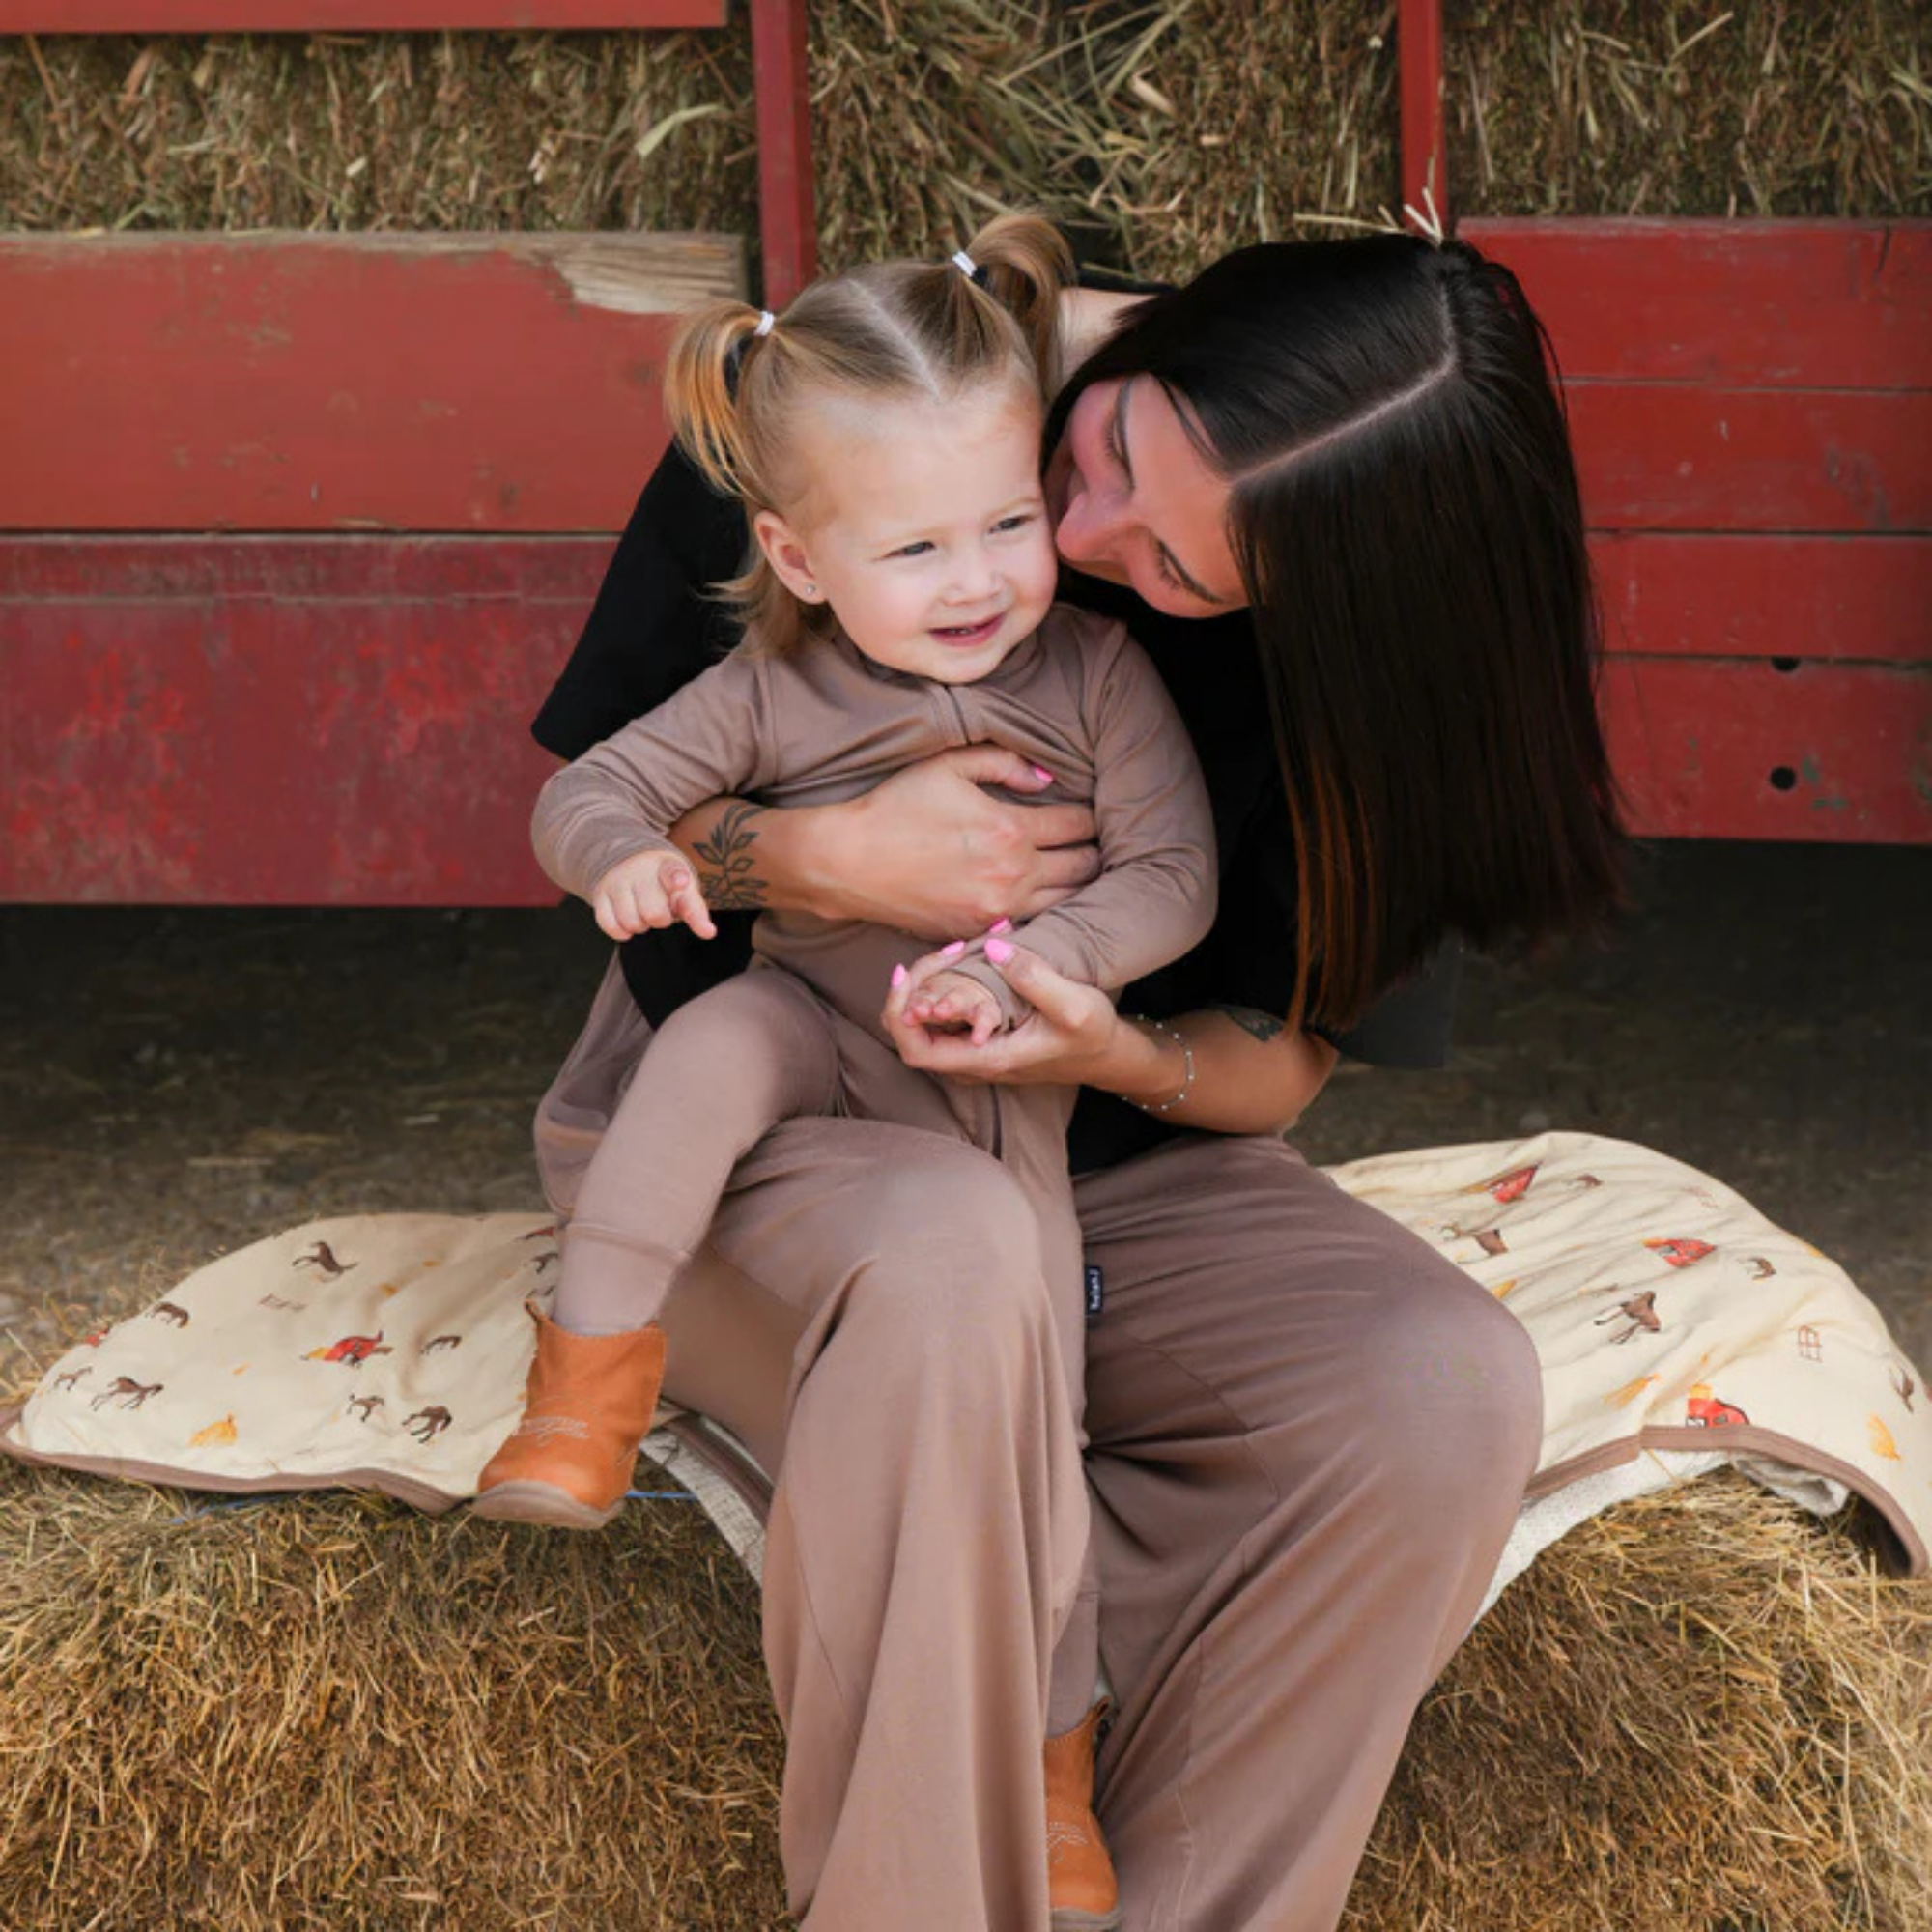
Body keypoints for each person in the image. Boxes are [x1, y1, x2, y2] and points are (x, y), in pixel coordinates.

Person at [527, 226, 1625, 1931]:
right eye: (1105, 454)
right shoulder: (860, 386)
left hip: (1098, 1162)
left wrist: (1109, 1044)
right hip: (779, 1125)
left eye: (1187, 574)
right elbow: (617, 817)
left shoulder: (1359, 692)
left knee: (1440, 1384)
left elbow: (1276, 1062)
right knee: (956, 1256)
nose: (1091, 548)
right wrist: (823, 857)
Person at [480, 215, 1217, 1924]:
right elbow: (585, 791)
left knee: (1037, 1404)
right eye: (915, 548)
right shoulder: (765, 685)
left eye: (1012, 524)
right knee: (717, 1036)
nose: (978, 582)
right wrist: (630, 864)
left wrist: (1052, 970)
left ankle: (1050, 1762)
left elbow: (1172, 877)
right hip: (808, 1021)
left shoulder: (1097, 676)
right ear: (800, 559)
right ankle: (584, 1382)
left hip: (988, 1083)